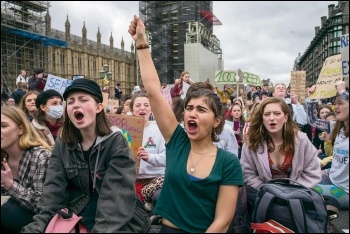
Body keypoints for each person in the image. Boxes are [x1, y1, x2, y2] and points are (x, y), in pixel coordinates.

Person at [129, 16, 243, 232]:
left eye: (201, 110)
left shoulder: (228, 163)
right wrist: (141, 43)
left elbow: (223, 220)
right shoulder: (177, 142)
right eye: (189, 108)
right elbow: (153, 91)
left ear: (217, 121)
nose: (192, 113)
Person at [22, 78, 141, 232]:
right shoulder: (63, 143)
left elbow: (116, 201)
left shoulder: (116, 142)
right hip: (78, 212)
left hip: (117, 219)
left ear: (98, 107)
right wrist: (38, 227)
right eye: (70, 102)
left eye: (83, 100)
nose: (76, 105)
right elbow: (53, 192)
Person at [240, 97, 321, 216]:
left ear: (286, 117)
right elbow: (248, 174)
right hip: (263, 196)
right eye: (267, 114)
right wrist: (268, 192)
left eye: (277, 113)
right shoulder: (251, 143)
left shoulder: (301, 140)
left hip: (297, 196)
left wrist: (290, 193)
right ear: (262, 118)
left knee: (329, 203)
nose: (271, 118)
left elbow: (312, 172)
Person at [1, 106, 52, 233]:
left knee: (7, 210)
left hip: (42, 222)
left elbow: (42, 206)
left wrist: (11, 185)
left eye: (3, 126)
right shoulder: (3, 158)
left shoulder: (40, 156)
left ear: (20, 130)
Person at [307, 84, 349, 209]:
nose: (336, 107)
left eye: (341, 103)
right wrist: (311, 99)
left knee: (307, 192)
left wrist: (342, 90)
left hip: (345, 190)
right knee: (302, 180)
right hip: (333, 175)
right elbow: (313, 121)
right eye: (335, 104)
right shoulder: (336, 126)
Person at [130, 92, 166, 211]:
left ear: (151, 109)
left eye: (146, 105)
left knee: (160, 196)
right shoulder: (122, 132)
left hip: (156, 181)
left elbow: (167, 158)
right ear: (132, 109)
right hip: (131, 180)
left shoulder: (160, 130)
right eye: (138, 105)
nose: (142, 108)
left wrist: (149, 157)